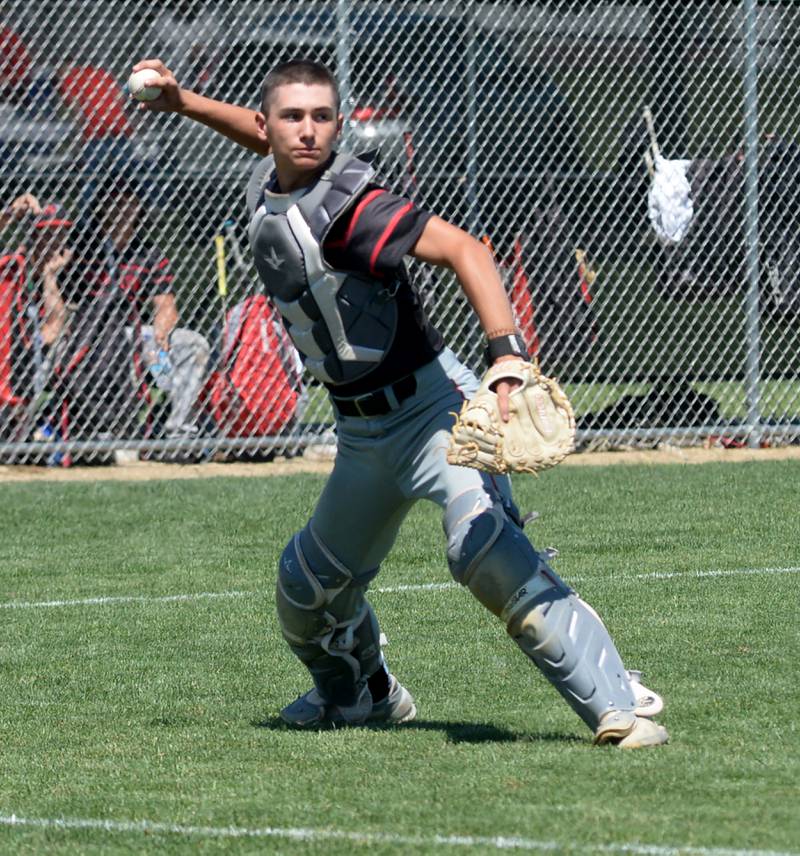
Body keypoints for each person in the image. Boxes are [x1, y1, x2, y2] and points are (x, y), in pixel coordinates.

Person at [132, 57, 668, 748]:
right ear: (269, 125)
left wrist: (506, 352)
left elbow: (466, 249)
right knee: (305, 591)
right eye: (292, 117)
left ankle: (617, 702)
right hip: (361, 438)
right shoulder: (267, 172)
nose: (307, 131)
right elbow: (253, 133)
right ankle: (363, 696)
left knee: (484, 552)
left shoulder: (354, 208)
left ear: (339, 124)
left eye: (323, 117)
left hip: (432, 414)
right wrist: (182, 102)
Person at [74, 174, 210, 439]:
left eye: (129, 203)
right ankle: (102, 426)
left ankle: (177, 429)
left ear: (139, 208)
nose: (122, 210)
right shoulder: (84, 248)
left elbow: (166, 305)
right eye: (114, 203)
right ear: (101, 208)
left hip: (132, 332)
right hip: (88, 334)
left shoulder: (148, 253)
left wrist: (161, 332)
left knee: (194, 344)